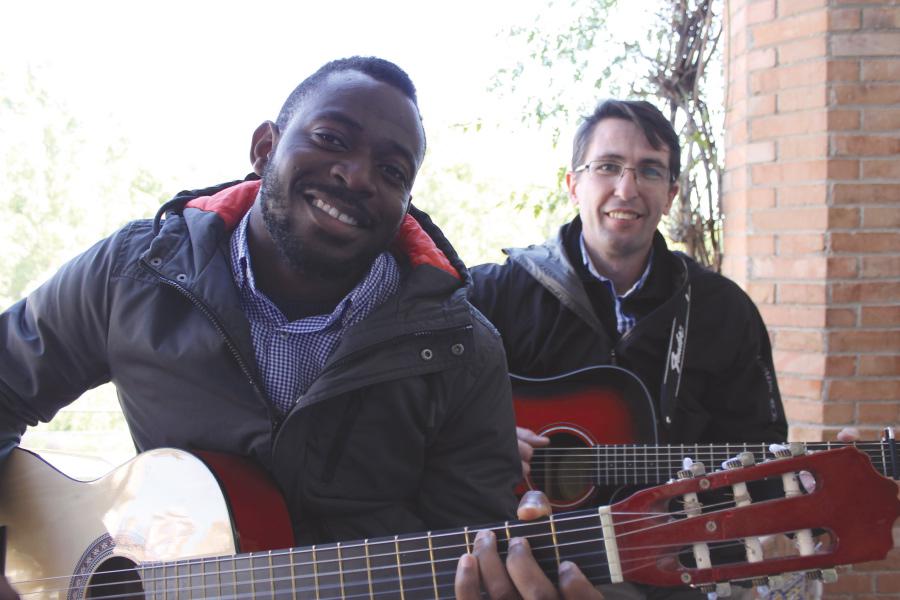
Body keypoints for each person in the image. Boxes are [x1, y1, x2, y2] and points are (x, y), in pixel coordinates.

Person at [0, 56, 520, 556]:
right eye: (332, 139)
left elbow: (471, 541)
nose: (359, 177)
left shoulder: (460, 349)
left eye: (391, 171)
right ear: (265, 148)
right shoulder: (134, 274)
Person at [468, 99, 788, 599]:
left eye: (649, 170)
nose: (626, 188)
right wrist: (482, 438)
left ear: (671, 193)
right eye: (608, 166)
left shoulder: (722, 311)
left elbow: (764, 454)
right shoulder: (493, 294)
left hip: (672, 569)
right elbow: (413, 412)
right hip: (523, 562)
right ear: (574, 184)